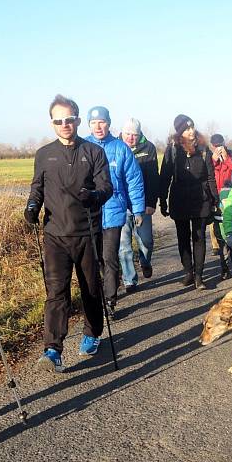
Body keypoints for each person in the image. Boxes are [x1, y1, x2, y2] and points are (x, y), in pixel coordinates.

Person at [26, 95, 113, 366]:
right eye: (58, 121)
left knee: (90, 288)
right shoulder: (44, 154)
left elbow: (107, 187)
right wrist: (31, 207)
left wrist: (95, 196)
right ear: (52, 123)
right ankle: (53, 348)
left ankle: (92, 332)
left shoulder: (94, 152)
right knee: (57, 292)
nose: (64, 124)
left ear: (77, 119)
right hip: (55, 234)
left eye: (69, 119)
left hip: (87, 231)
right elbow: (37, 188)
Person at [85, 106, 145, 321]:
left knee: (109, 258)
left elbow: (134, 180)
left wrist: (137, 209)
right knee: (94, 260)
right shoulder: (82, 146)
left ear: (109, 124)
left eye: (102, 122)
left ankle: (110, 301)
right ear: (89, 125)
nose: (98, 126)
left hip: (113, 211)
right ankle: (96, 298)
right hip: (88, 214)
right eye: (94, 123)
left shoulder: (121, 148)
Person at [159, 114, 219, 290]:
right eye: (186, 129)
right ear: (180, 132)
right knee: (182, 238)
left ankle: (199, 276)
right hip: (179, 197)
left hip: (200, 198)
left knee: (199, 237)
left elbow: (210, 177)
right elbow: (165, 176)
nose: (191, 131)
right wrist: (162, 200)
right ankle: (188, 272)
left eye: (192, 127)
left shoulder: (203, 149)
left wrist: (215, 199)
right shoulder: (172, 149)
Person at [119, 118, 158, 291]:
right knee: (124, 244)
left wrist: (151, 202)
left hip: (142, 205)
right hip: (121, 206)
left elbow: (152, 178)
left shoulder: (148, 148)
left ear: (140, 134)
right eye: (128, 134)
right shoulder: (116, 147)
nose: (131, 138)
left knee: (146, 241)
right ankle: (129, 280)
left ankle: (145, 261)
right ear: (122, 132)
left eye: (134, 134)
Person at [209, 133, 232, 278]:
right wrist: (214, 161)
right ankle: (224, 267)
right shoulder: (209, 159)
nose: (219, 148)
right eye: (216, 146)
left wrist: (227, 160)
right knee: (221, 235)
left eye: (221, 145)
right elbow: (205, 175)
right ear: (212, 146)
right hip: (216, 200)